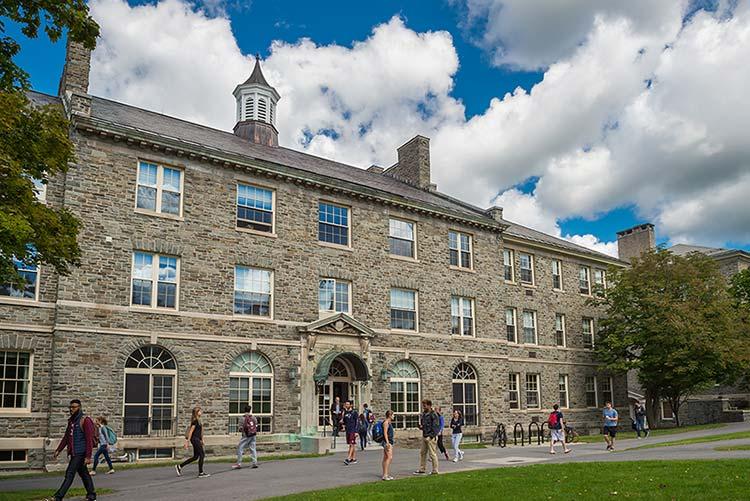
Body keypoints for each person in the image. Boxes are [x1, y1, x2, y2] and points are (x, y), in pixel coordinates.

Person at [51, 399, 97, 501]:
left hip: (80, 453)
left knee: (69, 474)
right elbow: (66, 437)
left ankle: (58, 497)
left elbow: (89, 439)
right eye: (70, 407)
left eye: (74, 407)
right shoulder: (71, 421)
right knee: (84, 474)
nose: (71, 409)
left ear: (79, 407)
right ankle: (91, 495)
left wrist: (88, 456)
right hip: (74, 452)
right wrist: (59, 450)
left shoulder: (85, 420)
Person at [176, 406, 209, 478]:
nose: (201, 412)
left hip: (197, 439)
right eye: (200, 411)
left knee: (196, 457)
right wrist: (187, 442)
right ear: (197, 413)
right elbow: (190, 432)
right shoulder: (195, 421)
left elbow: (200, 431)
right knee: (202, 454)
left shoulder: (199, 420)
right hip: (194, 439)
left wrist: (202, 439)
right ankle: (201, 473)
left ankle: (180, 466)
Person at [414, 399, 440, 475]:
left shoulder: (433, 414)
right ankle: (422, 469)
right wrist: (420, 427)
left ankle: (435, 470)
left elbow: (436, 427)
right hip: (424, 435)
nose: (423, 407)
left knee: (432, 454)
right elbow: (424, 425)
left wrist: (431, 436)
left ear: (429, 405)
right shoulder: (424, 414)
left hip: (430, 437)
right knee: (422, 453)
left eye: (424, 405)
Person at [232, 405, 258, 469]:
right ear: (250, 410)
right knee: (253, 448)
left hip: (246, 435)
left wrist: (242, 430)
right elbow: (256, 425)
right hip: (253, 435)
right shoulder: (253, 417)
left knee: (240, 448)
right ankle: (254, 462)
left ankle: (239, 463)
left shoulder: (242, 418)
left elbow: (240, 428)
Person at [342, 400, 359, 465]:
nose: (346, 405)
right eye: (346, 404)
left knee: (351, 444)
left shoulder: (354, 412)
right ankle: (353, 458)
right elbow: (344, 422)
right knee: (352, 444)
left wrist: (356, 431)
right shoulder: (345, 412)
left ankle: (348, 458)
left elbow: (357, 422)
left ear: (351, 405)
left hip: (353, 430)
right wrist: (343, 426)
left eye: (348, 404)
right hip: (348, 430)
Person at [381, 410, 395, 481]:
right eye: (393, 415)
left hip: (389, 441)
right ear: (389, 415)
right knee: (389, 457)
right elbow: (385, 433)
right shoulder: (386, 423)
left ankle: (385, 474)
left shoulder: (389, 422)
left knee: (386, 457)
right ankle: (385, 475)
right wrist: (387, 443)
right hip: (387, 442)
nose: (394, 416)